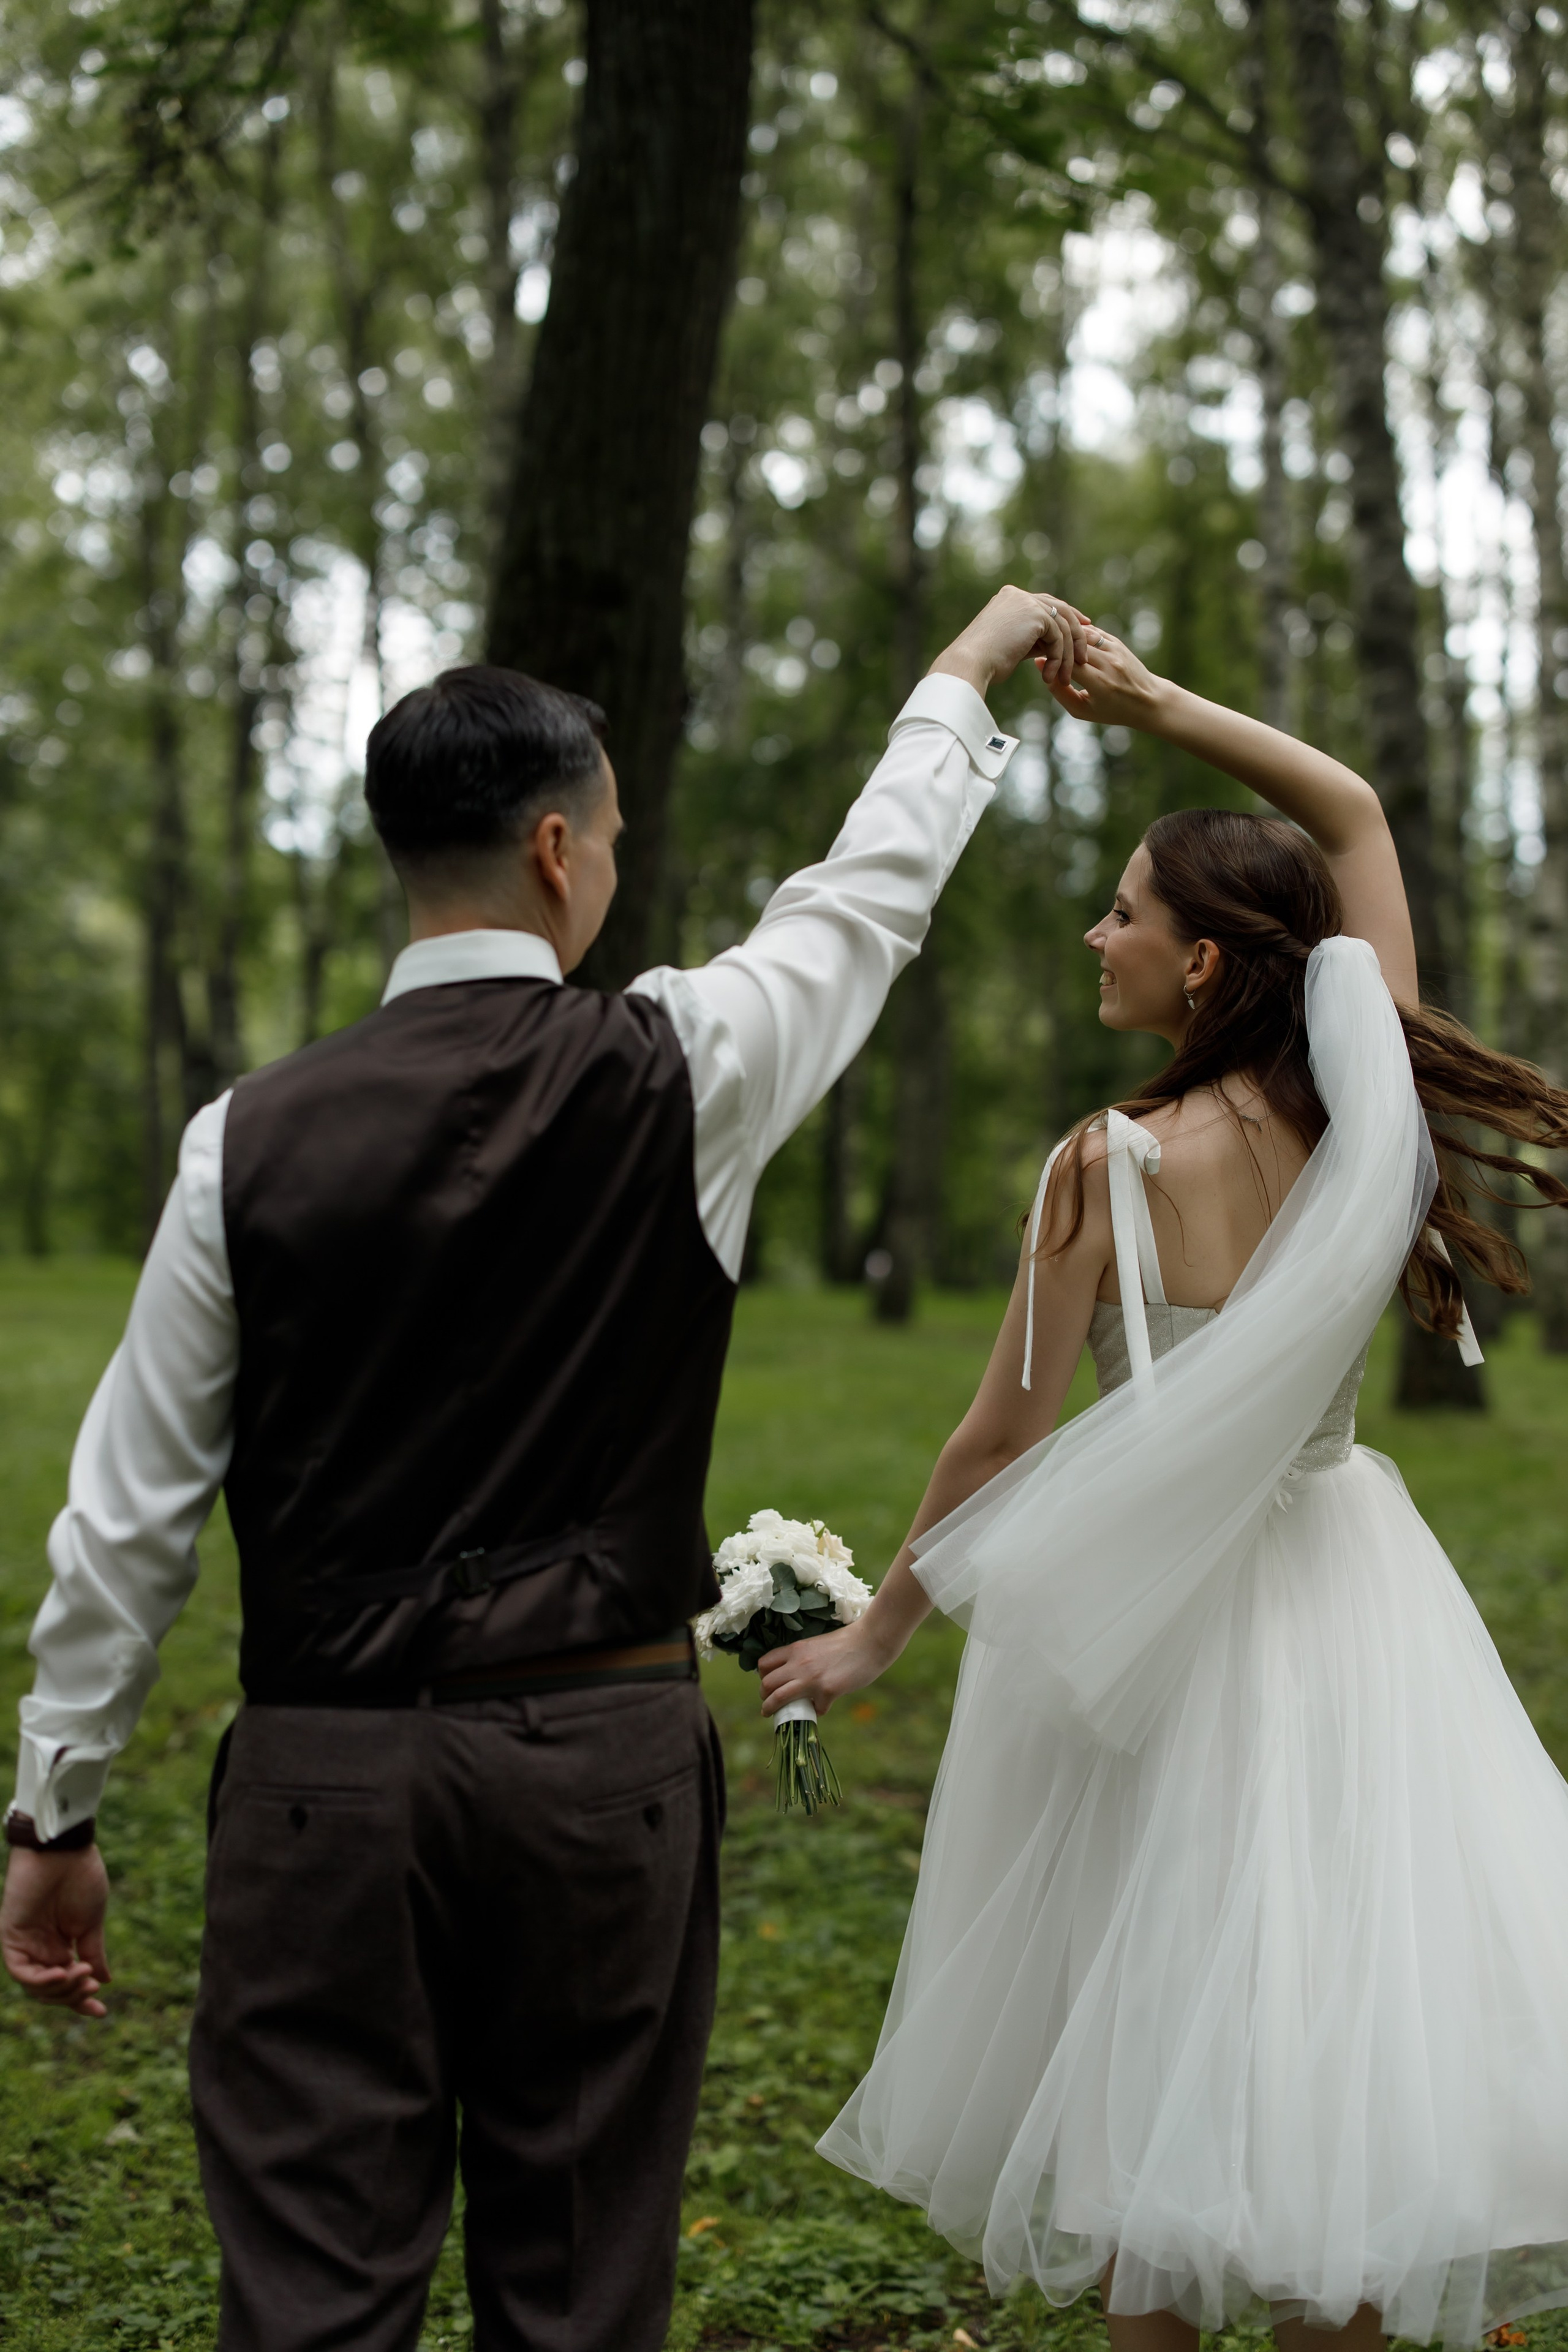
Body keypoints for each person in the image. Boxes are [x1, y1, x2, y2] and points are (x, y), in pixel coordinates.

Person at [0, 583, 1091, 2352]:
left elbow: (123, 1525)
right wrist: (963, 678)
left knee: (308, 2298)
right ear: (560, 845)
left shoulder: (242, 1140)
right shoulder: (687, 1069)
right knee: (581, 2289)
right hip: (600, 1775)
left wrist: (56, 1810)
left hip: (318, 1785)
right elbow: (865, 901)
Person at [762, 624, 1568, 2352]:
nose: (1097, 935)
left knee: (1157, 2053)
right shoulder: (1373, 1116)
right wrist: (1159, 712)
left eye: (1125, 910)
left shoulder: (1105, 1167)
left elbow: (999, 1441)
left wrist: (875, 1640)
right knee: (1334, 2048)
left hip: (1170, 1635)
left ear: (1205, 964)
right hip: (1356, 1594)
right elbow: (1350, 814)